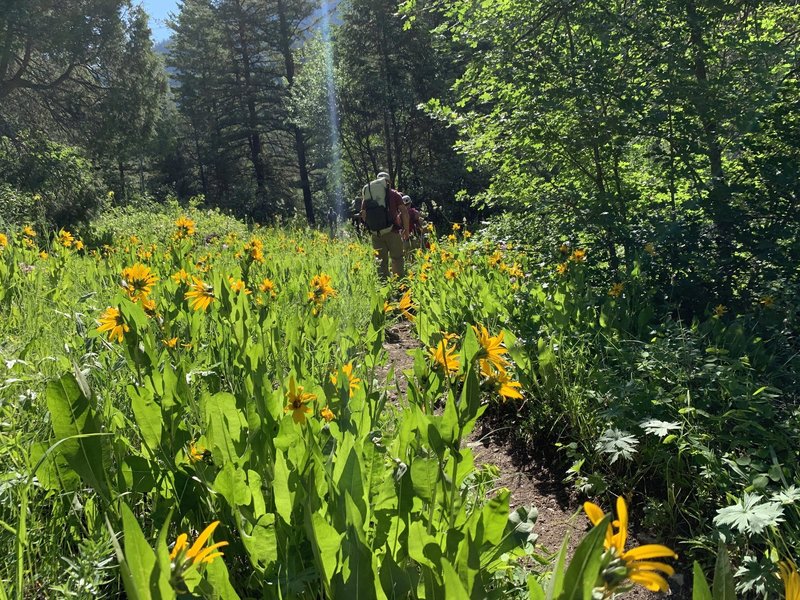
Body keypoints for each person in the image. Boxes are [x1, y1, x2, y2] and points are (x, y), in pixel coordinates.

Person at [361, 171, 410, 279]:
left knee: (381, 261)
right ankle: (399, 285)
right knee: (397, 258)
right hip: (392, 231)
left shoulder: (369, 196)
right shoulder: (394, 194)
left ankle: (384, 287)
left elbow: (363, 215)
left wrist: (372, 226)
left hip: (376, 234)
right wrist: (406, 229)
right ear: (389, 182)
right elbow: (404, 212)